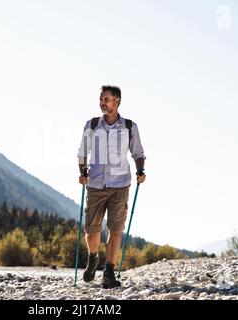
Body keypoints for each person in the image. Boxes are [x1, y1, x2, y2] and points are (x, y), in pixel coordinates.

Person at [77, 85, 146, 288]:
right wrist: (82, 172)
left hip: (120, 185)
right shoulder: (92, 125)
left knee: (116, 230)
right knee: (91, 230)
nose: (102, 102)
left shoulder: (129, 127)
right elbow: (82, 152)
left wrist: (140, 171)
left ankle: (109, 272)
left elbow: (138, 153)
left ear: (117, 101)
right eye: (100, 99)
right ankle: (92, 258)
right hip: (96, 184)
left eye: (106, 99)